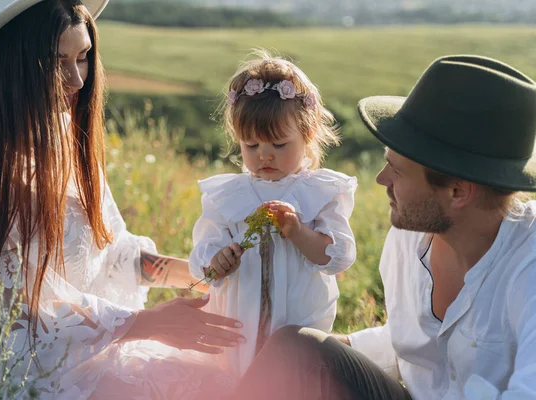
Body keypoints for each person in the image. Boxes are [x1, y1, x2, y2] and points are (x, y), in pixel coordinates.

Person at [0, 1, 246, 398]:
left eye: (82, 58)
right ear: (9, 62)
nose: (77, 80)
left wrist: (206, 276)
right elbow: (23, 309)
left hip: (95, 354)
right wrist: (150, 324)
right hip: (27, 378)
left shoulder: (62, 134)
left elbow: (114, 252)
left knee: (232, 369)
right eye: (55, 62)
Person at [229, 55, 536, 399]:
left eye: (397, 170)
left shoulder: (529, 266)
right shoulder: (408, 240)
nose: (381, 179)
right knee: (294, 347)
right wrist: (323, 352)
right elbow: (411, 342)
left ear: (457, 191)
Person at [189, 51, 357, 378]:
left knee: (292, 380)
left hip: (298, 320)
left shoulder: (319, 192)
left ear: (307, 136)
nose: (264, 155)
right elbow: (203, 255)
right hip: (238, 323)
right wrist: (217, 260)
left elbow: (338, 257)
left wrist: (298, 232)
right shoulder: (228, 195)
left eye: (279, 145)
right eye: (251, 146)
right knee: (238, 382)